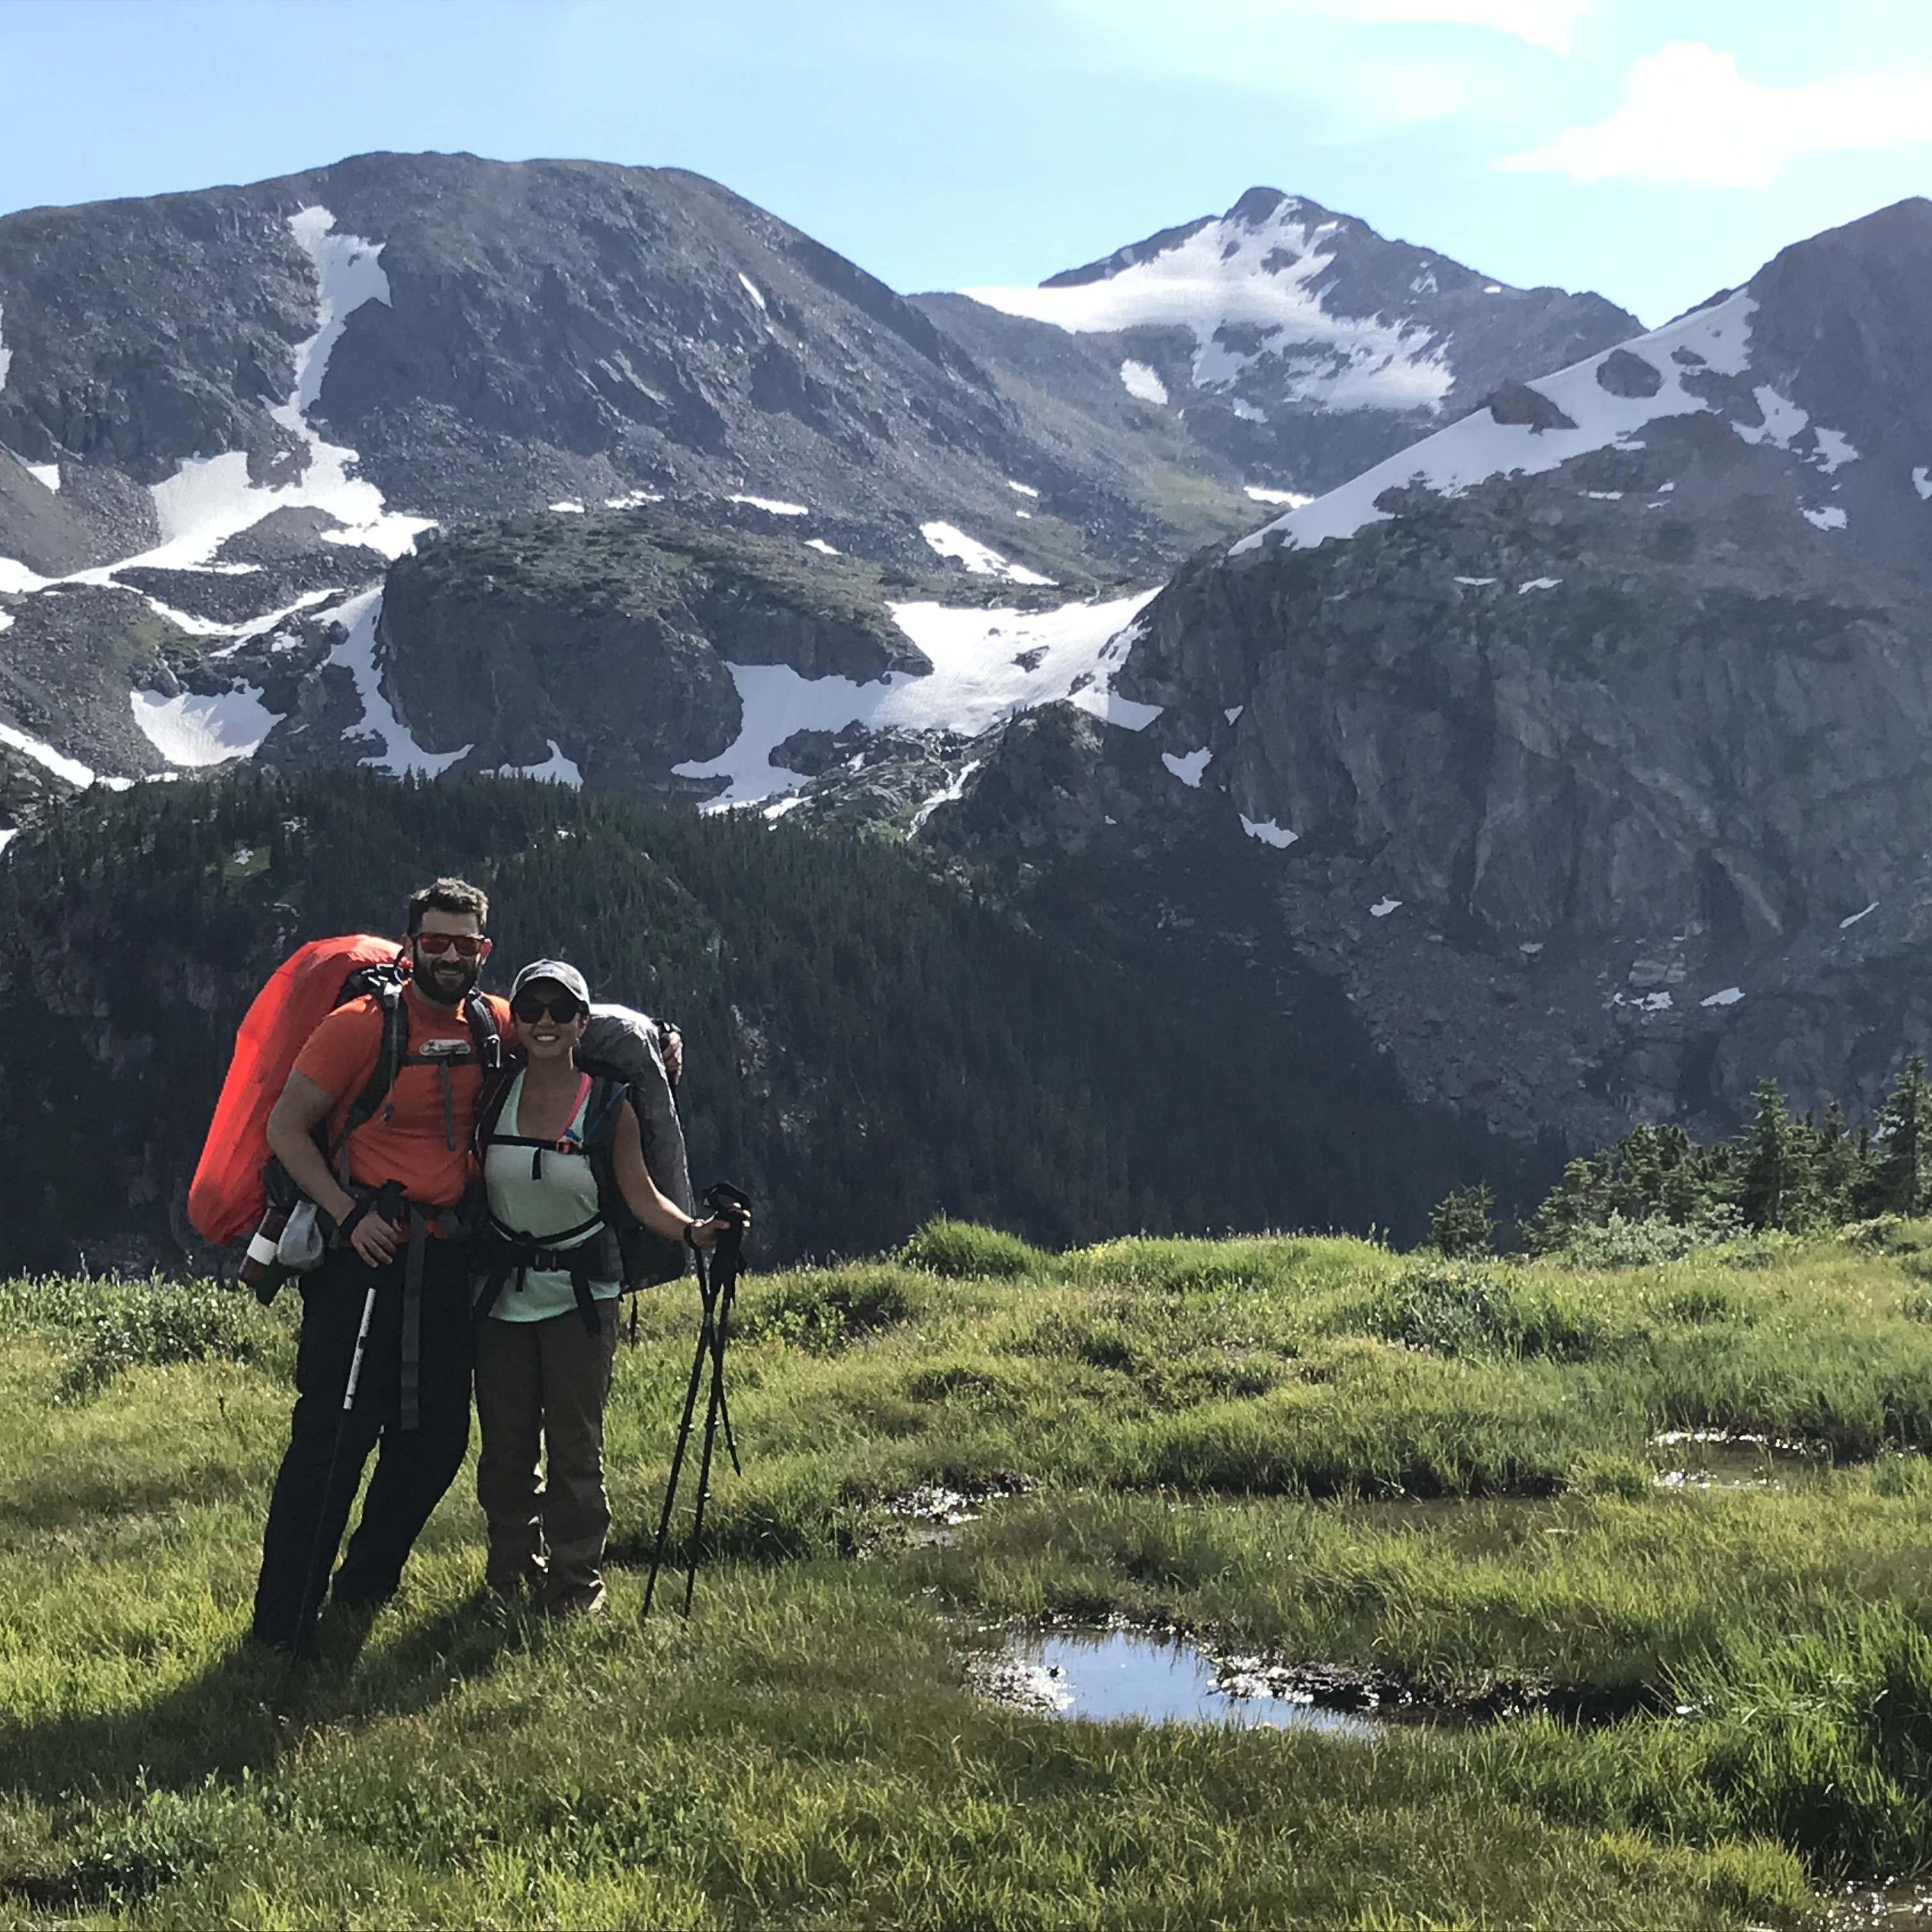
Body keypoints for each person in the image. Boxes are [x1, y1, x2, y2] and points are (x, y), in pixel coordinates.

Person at [249, 877, 508, 1655]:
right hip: (362, 1260)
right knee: (332, 1439)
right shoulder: (359, 1026)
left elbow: (571, 1030)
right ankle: (280, 1632)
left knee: (436, 1441)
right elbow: (286, 1128)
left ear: (484, 951)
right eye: (437, 942)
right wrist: (347, 1215)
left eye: (467, 945)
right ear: (411, 945)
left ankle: (364, 1588)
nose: (452, 957)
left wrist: (654, 1034)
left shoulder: (495, 1025)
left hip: (447, 1259)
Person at [473, 959, 739, 1616]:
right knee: (505, 1449)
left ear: (581, 1024)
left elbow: (640, 1194)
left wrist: (694, 1233)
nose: (544, 1022)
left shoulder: (607, 1106)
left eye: (560, 1011)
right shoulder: (491, 1095)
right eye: (531, 1009)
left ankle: (574, 1588)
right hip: (499, 1301)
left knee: (574, 1448)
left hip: (581, 1301)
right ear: (517, 1020)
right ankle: (510, 1578)